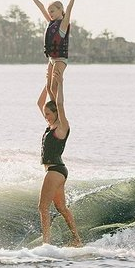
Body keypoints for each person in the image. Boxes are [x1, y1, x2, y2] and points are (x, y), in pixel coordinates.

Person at [37, 77, 81, 247]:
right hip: (58, 171)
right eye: (45, 114)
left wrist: (60, 83)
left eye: (48, 114)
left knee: (42, 207)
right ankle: (76, 239)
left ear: (56, 113)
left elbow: (60, 105)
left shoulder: (62, 127)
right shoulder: (51, 126)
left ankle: (46, 243)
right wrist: (47, 83)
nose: (45, 116)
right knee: (61, 208)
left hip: (55, 170)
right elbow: (40, 102)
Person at [23, 0, 81, 103]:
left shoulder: (63, 24)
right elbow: (41, 7)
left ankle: (60, 111)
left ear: (60, 10)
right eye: (49, 12)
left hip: (60, 59)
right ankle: (55, 110)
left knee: (54, 87)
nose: (50, 13)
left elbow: (69, 9)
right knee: (49, 88)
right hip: (51, 59)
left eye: (53, 11)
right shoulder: (51, 22)